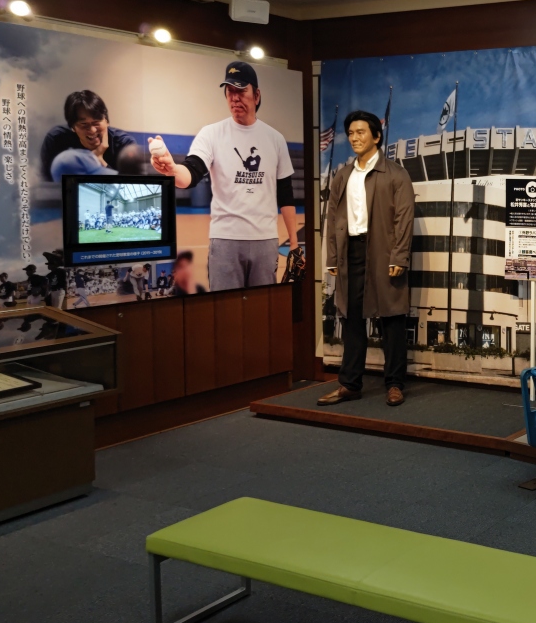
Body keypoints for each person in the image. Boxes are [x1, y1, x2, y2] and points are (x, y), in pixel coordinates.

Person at [150, 61, 298, 291]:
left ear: (257, 95)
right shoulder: (211, 134)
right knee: (225, 309)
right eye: (230, 91)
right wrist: (172, 170)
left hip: (265, 240)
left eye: (241, 91)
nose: (235, 98)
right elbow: (191, 172)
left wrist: (294, 244)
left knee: (262, 309)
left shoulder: (275, 139)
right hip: (225, 240)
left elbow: (286, 195)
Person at [317, 111, 414, 408]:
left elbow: (404, 218)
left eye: (361, 132)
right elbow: (333, 217)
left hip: (384, 252)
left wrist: (399, 255)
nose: (354, 138)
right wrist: (333, 257)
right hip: (351, 252)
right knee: (352, 319)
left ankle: (394, 384)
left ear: (376, 136)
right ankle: (350, 384)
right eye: (351, 133)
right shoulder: (343, 175)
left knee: (392, 319)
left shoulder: (395, 174)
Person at [40, 90, 142, 181]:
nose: (92, 130)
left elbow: (130, 185)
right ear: (72, 127)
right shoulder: (57, 139)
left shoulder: (125, 145)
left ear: (107, 121)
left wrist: (99, 159)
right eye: (84, 124)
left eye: (96, 122)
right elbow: (46, 184)